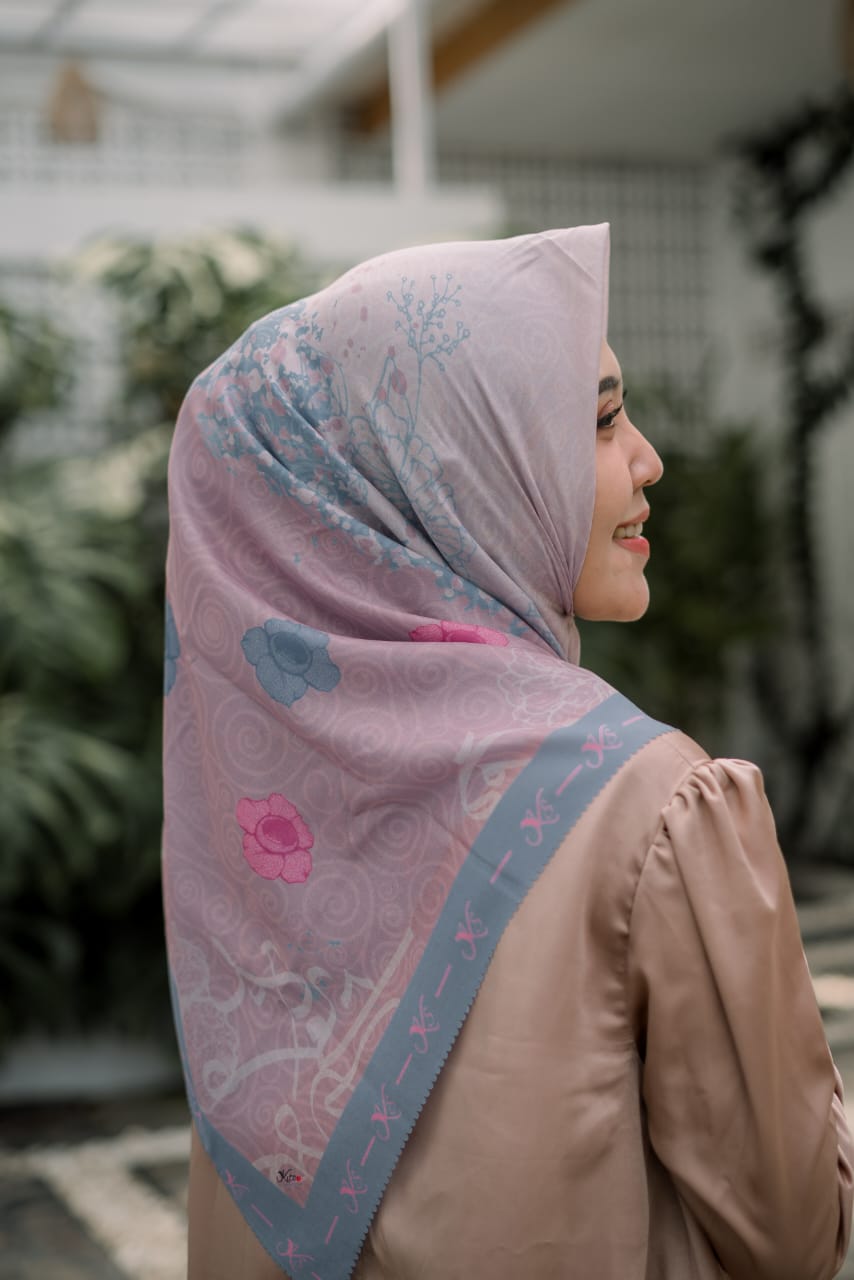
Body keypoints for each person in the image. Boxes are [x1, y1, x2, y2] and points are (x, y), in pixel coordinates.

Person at [162, 224, 853, 1279]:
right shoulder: (647, 808)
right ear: (452, 471)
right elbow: (794, 1234)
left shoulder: (251, 830)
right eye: (602, 420)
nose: (648, 458)